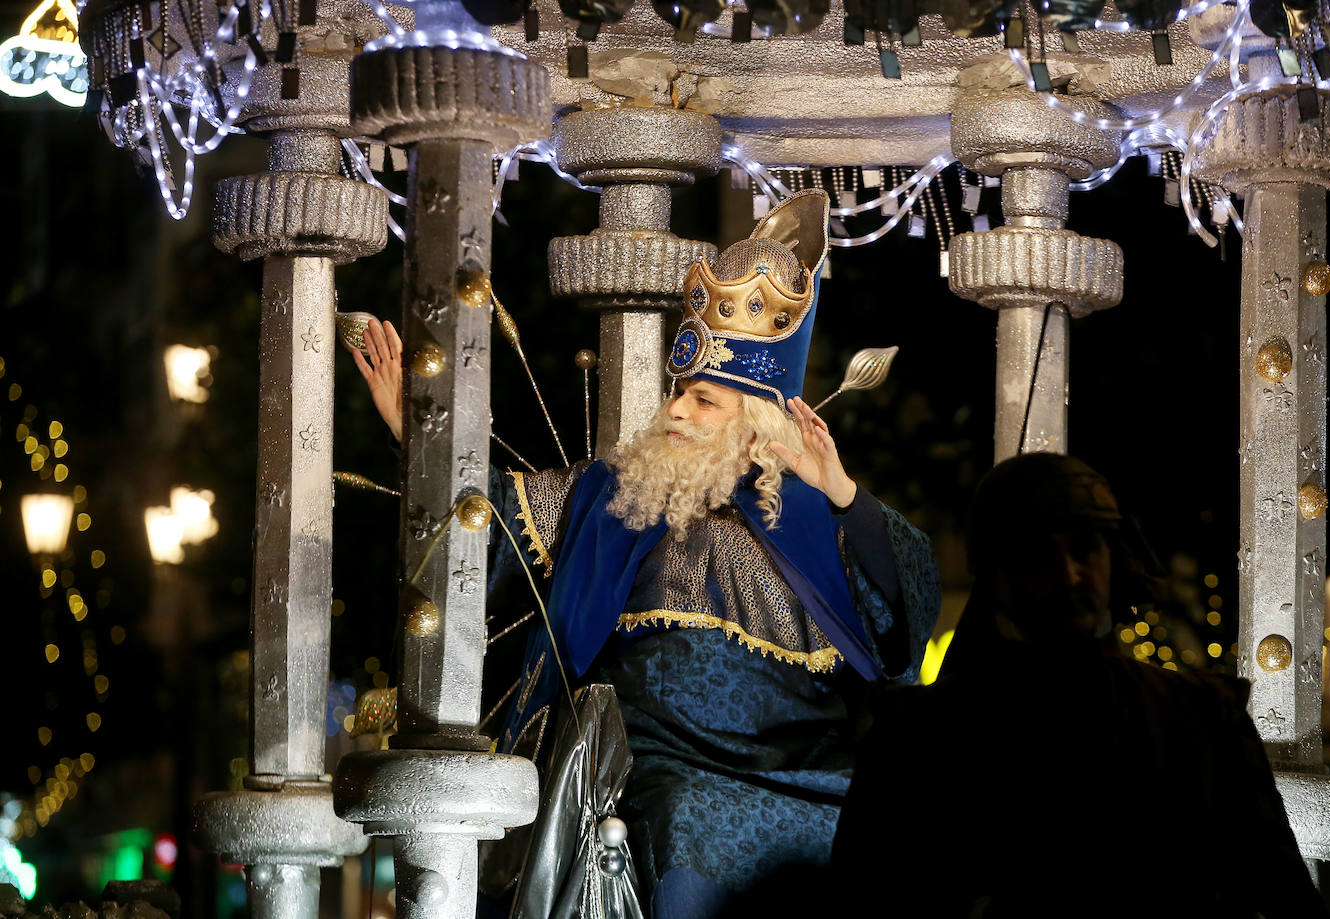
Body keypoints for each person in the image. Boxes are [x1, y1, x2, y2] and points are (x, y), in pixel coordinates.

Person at [351, 189, 941, 918]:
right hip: (663, 769)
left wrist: (846, 493)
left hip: (807, 769)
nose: (676, 410)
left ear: (754, 423)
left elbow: (905, 619)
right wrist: (424, 434)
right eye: (678, 392)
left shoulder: (820, 514)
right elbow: (491, 514)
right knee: (686, 820)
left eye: (704, 401)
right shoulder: (619, 493)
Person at [831, 453, 1324, 918]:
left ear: (1113, 557)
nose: (1068, 575)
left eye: (1085, 548)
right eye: (1037, 555)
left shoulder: (1204, 717)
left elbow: (1285, 898)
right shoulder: (916, 737)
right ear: (997, 574)